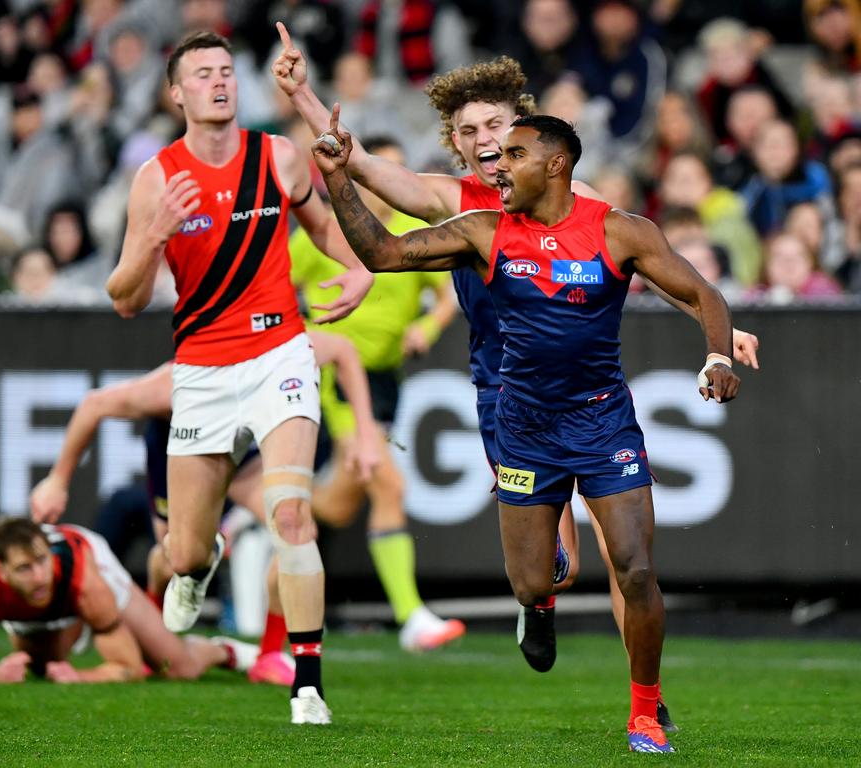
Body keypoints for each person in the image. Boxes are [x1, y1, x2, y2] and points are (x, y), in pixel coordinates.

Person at [272, 32, 760, 708]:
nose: (483, 138)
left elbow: (650, 264)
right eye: (468, 130)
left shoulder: (574, 195)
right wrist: (301, 96)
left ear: (526, 131)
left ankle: (647, 697)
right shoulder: (459, 206)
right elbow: (365, 177)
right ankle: (540, 602)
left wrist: (718, 331)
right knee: (554, 568)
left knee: (630, 564)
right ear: (457, 141)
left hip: (590, 394)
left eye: (497, 124)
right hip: (504, 389)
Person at [105, 29, 374, 726]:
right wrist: (154, 233)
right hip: (200, 369)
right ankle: (201, 560)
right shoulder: (158, 178)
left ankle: (307, 681)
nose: (219, 82)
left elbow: (322, 228)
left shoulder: (278, 156)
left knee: (292, 512)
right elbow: (126, 298)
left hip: (279, 355)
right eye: (202, 74)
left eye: (226, 71)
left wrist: (360, 268)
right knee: (185, 551)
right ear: (177, 94)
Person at [28, 329, 382, 684]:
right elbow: (95, 404)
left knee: (294, 533)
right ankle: (153, 643)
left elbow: (343, 350)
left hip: (245, 457)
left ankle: (269, 654)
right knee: (174, 560)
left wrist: (366, 435)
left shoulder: (283, 347)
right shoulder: (172, 384)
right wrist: (57, 480)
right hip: (188, 454)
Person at [290, 134, 465, 652]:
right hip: (337, 377)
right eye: (373, 172)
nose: (384, 184)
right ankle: (411, 617)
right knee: (387, 483)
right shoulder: (326, 235)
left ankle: (262, 522)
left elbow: (447, 297)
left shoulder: (414, 233)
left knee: (341, 503)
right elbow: (274, 283)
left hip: (387, 379)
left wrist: (426, 329)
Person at [0, 516, 258, 684]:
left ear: (49, 550)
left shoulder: (84, 579)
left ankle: (224, 651)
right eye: (24, 568)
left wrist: (81, 677)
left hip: (89, 571)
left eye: (42, 560)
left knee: (175, 667)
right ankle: (76, 629)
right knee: (40, 669)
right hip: (45, 605)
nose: (40, 576)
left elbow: (128, 668)